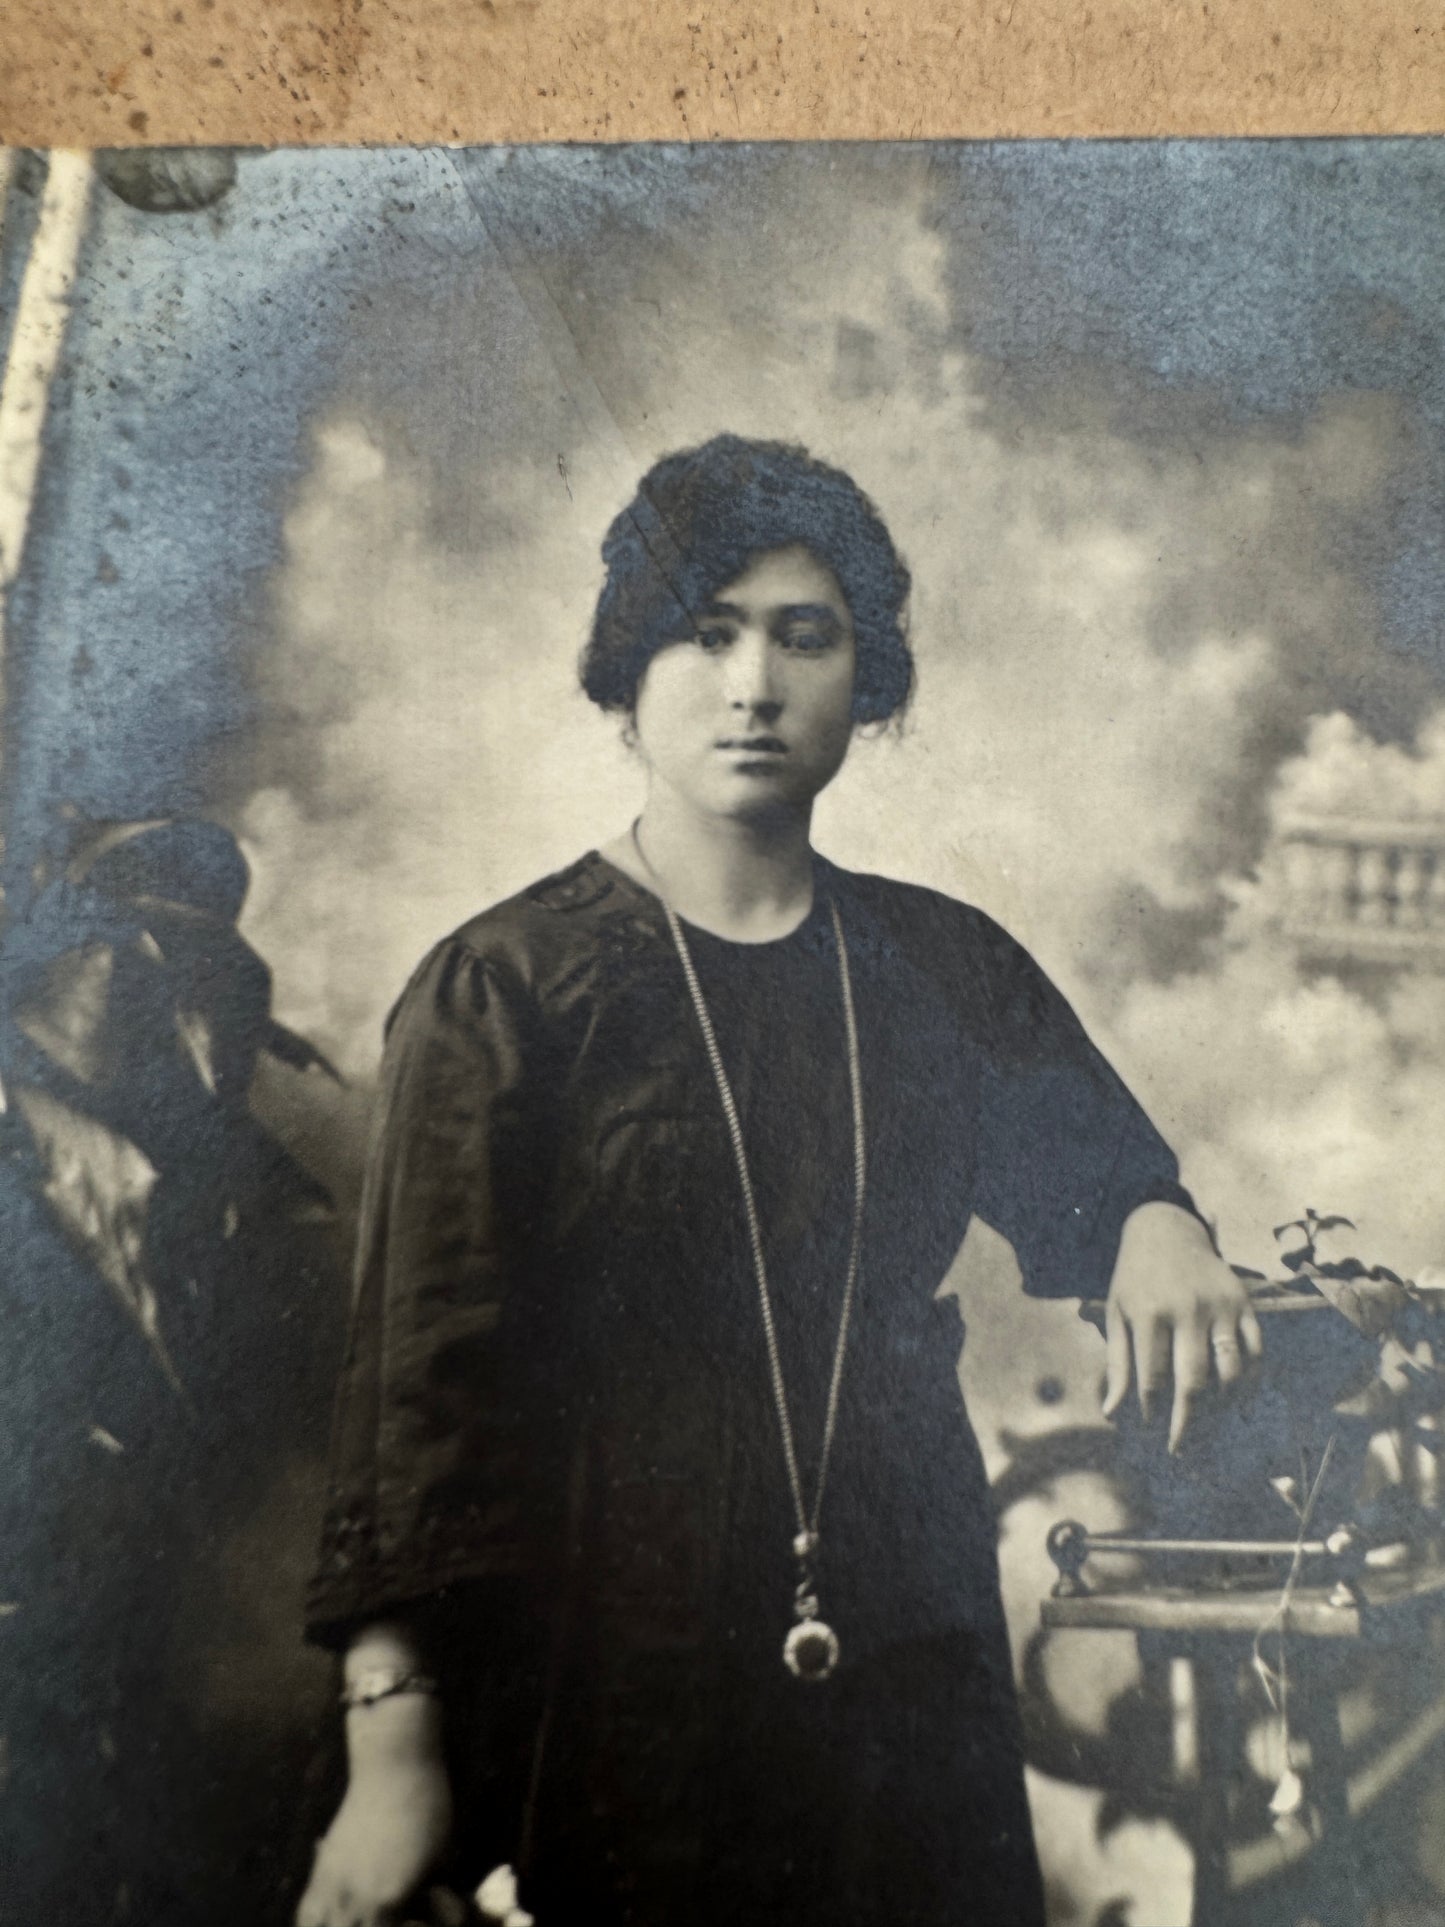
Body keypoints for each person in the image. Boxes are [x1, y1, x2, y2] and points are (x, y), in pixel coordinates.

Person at [295, 435, 1260, 1927]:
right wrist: (393, 1753)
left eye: (803, 637)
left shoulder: (941, 964)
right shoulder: (505, 989)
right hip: (608, 1643)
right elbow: (420, 1405)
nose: (753, 684)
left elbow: (1096, 1171)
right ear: (629, 670)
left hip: (908, 1636)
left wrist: (1150, 1219)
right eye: (706, 632)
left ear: (861, 680)